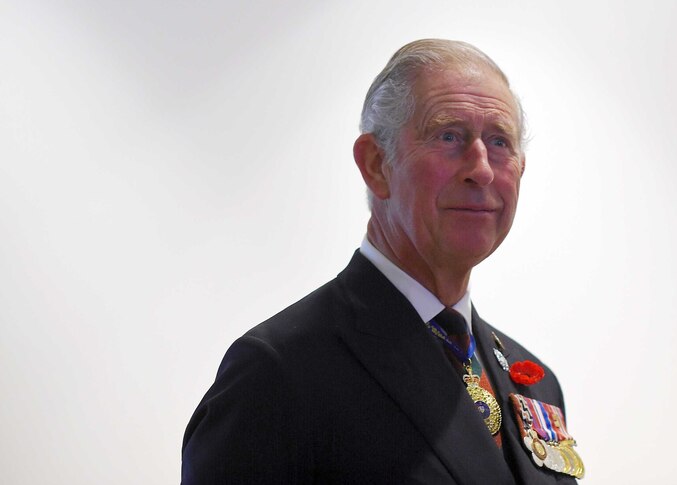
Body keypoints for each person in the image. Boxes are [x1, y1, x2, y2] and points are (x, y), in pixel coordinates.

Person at [182, 39, 583, 484]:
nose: (482, 169)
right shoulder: (281, 373)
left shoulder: (535, 383)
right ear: (376, 164)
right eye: (449, 136)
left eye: (499, 141)